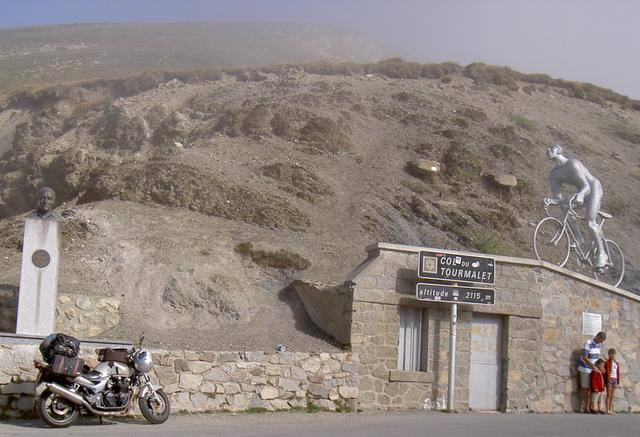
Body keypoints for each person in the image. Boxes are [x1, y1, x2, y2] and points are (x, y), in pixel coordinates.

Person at [542, 144, 607, 269]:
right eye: (547, 149)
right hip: (581, 192)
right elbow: (558, 198)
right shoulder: (554, 174)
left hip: (592, 188)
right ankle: (578, 237)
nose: (548, 150)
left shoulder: (572, 163)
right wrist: (549, 201)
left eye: (551, 148)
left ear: (560, 150)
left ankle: (602, 253)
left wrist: (580, 195)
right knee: (565, 207)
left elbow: (587, 186)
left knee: (590, 222)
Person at [578, 331, 606, 413]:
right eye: (601, 340)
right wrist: (593, 366)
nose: (601, 342)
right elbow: (585, 357)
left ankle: (593, 407)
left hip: (594, 369)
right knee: (586, 388)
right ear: (598, 337)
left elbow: (597, 358)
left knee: (594, 388)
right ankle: (586, 407)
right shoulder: (588, 343)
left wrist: (601, 367)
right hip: (586, 368)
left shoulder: (599, 344)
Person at [605, 348, 621, 415]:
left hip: (615, 379)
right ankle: (607, 410)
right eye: (611, 355)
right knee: (609, 395)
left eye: (614, 355)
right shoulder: (607, 363)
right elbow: (606, 371)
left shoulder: (616, 363)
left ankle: (611, 410)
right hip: (610, 379)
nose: (613, 356)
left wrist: (618, 380)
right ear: (609, 355)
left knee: (613, 396)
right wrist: (607, 380)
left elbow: (617, 372)